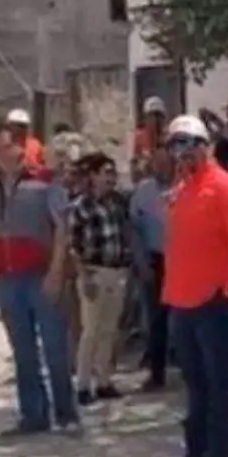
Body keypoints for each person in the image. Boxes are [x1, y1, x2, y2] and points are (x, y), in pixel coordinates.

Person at [160, 113, 228, 457]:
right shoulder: (181, 189)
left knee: (220, 381)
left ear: (205, 146)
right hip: (182, 299)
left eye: (188, 144)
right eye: (175, 145)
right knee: (195, 383)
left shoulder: (222, 185)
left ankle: (223, 456)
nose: (181, 153)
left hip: (215, 298)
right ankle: (197, 455)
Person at [0, 115, 78, 436]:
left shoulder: (45, 181)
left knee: (56, 349)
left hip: (40, 274)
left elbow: (62, 228)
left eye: (3, 147)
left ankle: (67, 414)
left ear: (17, 146)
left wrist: (57, 272)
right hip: (7, 278)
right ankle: (33, 416)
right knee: (23, 351)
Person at [69, 152, 134, 404]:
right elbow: (73, 246)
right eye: (106, 173)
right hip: (94, 272)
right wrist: (83, 276)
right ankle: (83, 385)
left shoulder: (116, 204)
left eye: (112, 173)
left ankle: (104, 380)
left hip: (116, 271)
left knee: (109, 329)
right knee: (91, 331)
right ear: (93, 176)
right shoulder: (81, 207)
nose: (110, 178)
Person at [128, 146, 174, 391]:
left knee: (186, 319)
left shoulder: (184, 186)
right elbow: (133, 228)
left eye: (166, 163)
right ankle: (157, 373)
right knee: (156, 319)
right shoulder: (143, 191)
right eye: (157, 163)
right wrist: (141, 261)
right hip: (154, 260)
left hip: (183, 261)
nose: (162, 168)